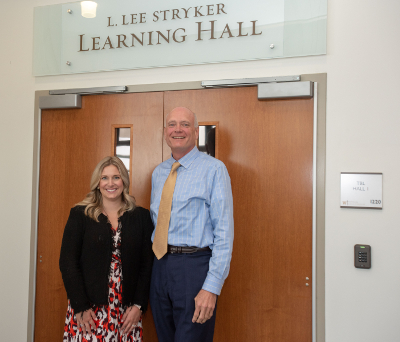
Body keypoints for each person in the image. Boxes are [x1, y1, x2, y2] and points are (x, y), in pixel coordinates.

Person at [150, 107, 234, 342]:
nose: (178, 129)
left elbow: (224, 233)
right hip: (159, 267)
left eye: (185, 124)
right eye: (172, 124)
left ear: (196, 132)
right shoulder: (158, 173)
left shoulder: (214, 169)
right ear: (165, 131)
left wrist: (211, 287)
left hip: (194, 268)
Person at [59, 156, 154, 342]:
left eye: (116, 177)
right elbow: (67, 262)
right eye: (104, 178)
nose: (110, 183)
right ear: (97, 183)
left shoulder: (141, 217)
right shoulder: (80, 214)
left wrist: (139, 306)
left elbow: (147, 264)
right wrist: (80, 306)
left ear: (124, 181)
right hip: (88, 310)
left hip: (127, 312)